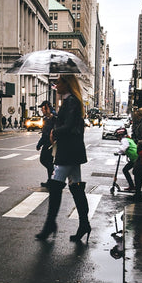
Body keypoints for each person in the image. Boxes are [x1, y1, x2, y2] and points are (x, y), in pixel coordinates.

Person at [35, 74, 91, 243]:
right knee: (76, 188)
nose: (56, 85)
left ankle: (50, 224)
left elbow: (68, 126)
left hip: (68, 152)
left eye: (58, 82)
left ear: (67, 84)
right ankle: (84, 224)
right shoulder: (70, 101)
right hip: (72, 151)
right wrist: (55, 119)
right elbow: (68, 122)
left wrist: (54, 132)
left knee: (55, 185)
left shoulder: (72, 101)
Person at [35, 100, 56, 189]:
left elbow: (48, 132)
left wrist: (40, 144)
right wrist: (40, 144)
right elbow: (44, 133)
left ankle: (52, 176)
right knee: (45, 160)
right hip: (46, 143)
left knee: (45, 160)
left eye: (43, 108)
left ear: (47, 108)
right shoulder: (46, 118)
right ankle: (51, 178)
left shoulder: (53, 117)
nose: (42, 110)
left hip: (50, 144)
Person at [113, 126, 139, 192]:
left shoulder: (124, 140)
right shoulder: (128, 139)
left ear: (121, 135)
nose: (117, 139)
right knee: (125, 170)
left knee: (140, 174)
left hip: (136, 158)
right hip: (134, 158)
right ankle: (132, 186)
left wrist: (118, 152)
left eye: (117, 137)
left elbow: (125, 146)